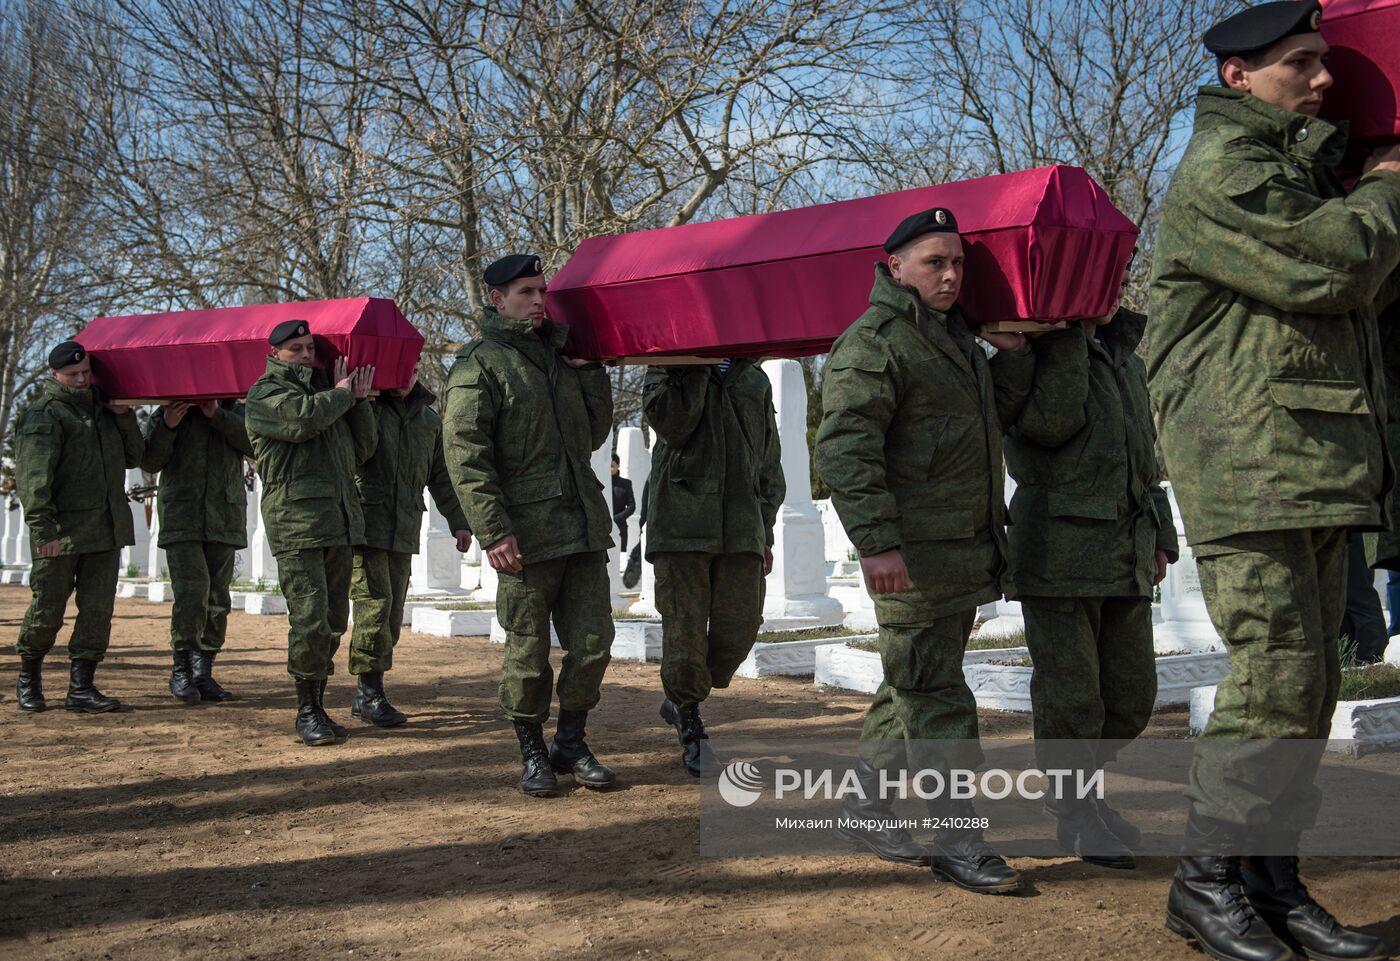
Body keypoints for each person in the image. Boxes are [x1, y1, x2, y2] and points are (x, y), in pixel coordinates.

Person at [1148, 3, 1400, 959]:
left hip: (1311, 460)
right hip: (1250, 464)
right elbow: (1334, 266)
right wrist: (1387, 181)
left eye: (1328, 60)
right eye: (1301, 62)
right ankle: (1204, 881)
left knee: (1309, 683)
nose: (1323, 78)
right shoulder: (1228, 172)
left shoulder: (1296, 174)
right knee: (1274, 681)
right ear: (1238, 77)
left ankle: (1270, 880)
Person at [815, 207, 1035, 893]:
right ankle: (958, 837)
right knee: (938, 694)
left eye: (958, 263)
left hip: (957, 555)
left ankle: (864, 804)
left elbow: (987, 426)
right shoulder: (876, 341)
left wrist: (1014, 355)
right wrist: (877, 543)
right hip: (908, 560)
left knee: (910, 681)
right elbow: (845, 445)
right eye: (934, 261)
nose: (949, 274)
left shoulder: (955, 340)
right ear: (893, 267)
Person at [1003, 296, 1177, 871]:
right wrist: (1064, 340)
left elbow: (1143, 456)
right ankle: (1076, 810)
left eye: (1121, 273)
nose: (1117, 285)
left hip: (1124, 547)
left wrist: (1160, 534)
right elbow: (1046, 427)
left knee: (1130, 696)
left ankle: (1081, 789)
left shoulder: (1125, 352)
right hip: (1058, 550)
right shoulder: (1040, 345)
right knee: (1071, 698)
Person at [444, 254, 618, 798]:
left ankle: (571, 741)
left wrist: (590, 375)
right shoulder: (480, 363)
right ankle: (533, 751)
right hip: (526, 535)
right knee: (527, 651)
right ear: (498, 299)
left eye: (542, 291)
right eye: (526, 292)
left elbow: (591, 435)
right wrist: (493, 530)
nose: (540, 301)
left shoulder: (558, 358)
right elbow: (465, 454)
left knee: (593, 644)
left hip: (582, 526)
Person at [643, 357, 784, 776]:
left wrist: (765, 529)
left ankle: (681, 696)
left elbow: (768, 458)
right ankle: (690, 722)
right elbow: (673, 425)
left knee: (740, 628)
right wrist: (694, 367)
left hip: (741, 528)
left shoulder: (753, 377)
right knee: (684, 631)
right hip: (682, 524)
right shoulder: (665, 369)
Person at [244, 320, 377, 746]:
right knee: (309, 617)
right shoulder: (265, 395)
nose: (305, 356)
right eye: (296, 349)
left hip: (338, 521)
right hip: (297, 523)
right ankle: (307, 711)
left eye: (309, 349)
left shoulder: (328, 398)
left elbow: (364, 448)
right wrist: (340, 394)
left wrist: (359, 403)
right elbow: (301, 423)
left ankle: (318, 704)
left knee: (334, 619)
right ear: (276, 353)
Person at [13, 341, 145, 713]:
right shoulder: (45, 415)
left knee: (97, 612)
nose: (82, 379)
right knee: (48, 610)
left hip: (105, 531)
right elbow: (34, 481)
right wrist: (44, 534)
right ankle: (29, 678)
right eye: (73, 375)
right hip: (62, 534)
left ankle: (81, 687)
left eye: (86, 372)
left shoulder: (105, 413)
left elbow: (137, 456)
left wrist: (123, 415)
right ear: (55, 375)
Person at [350, 369, 471, 727]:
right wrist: (362, 404)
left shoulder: (429, 420)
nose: (404, 375)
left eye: (411, 367)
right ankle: (368, 693)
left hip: (404, 528)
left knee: (390, 616)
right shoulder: (367, 408)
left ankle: (370, 690)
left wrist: (459, 520)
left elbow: (441, 475)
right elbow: (354, 454)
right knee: (374, 609)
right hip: (366, 527)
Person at [141, 398, 253, 702]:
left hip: (224, 516)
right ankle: (182, 670)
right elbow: (150, 461)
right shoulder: (169, 410)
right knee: (193, 592)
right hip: (183, 517)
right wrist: (168, 425)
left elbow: (256, 445)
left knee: (218, 598)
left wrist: (217, 415)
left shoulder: (236, 410)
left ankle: (203, 672)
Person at [610, 454, 635, 553]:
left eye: (612, 466)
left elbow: (632, 506)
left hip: (620, 527)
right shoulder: (600, 483)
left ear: (618, 465)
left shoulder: (625, 484)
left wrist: (617, 518)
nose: (609, 469)